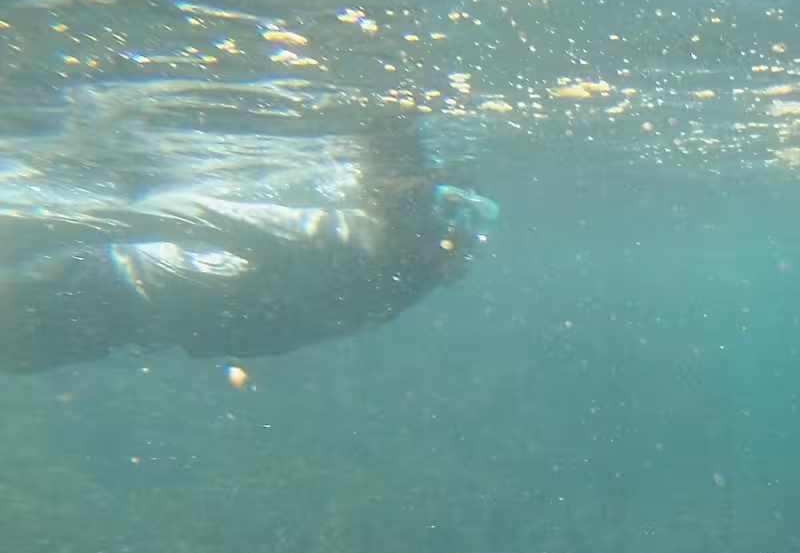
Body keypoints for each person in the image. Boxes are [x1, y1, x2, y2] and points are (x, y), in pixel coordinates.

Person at [0, 78, 495, 373]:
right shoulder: (405, 284)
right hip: (120, 316)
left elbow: (180, 216)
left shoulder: (334, 243)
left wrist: (32, 230)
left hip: (97, 288)